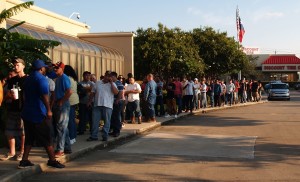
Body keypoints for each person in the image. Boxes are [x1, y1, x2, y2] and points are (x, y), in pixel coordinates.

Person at [18, 60, 65, 169]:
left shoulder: (28, 79)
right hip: (39, 113)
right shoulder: (41, 79)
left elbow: (23, 94)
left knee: (30, 137)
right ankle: (52, 160)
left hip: (27, 112)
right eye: (44, 68)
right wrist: (49, 110)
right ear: (41, 69)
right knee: (47, 137)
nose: (45, 69)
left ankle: (24, 160)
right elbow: (45, 96)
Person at [1, 58, 26, 161]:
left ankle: (22, 152)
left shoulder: (27, 79)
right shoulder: (12, 80)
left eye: (18, 65)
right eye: (15, 65)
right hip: (13, 108)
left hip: (24, 108)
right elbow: (6, 93)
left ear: (23, 66)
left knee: (23, 132)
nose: (16, 67)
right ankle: (12, 152)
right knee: (9, 131)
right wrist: (9, 95)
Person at [87, 71, 118, 141]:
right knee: (95, 121)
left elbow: (116, 92)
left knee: (107, 121)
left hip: (108, 105)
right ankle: (94, 136)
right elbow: (92, 93)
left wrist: (112, 83)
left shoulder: (112, 84)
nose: (108, 77)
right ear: (104, 76)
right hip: (97, 105)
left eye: (110, 76)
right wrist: (89, 101)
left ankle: (105, 135)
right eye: (107, 76)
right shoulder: (98, 83)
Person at [52, 62, 72, 158]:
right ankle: (67, 147)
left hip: (62, 104)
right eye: (54, 68)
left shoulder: (64, 78)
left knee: (61, 127)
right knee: (63, 127)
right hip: (58, 103)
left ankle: (60, 149)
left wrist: (61, 101)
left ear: (62, 69)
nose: (55, 69)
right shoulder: (57, 78)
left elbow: (69, 91)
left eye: (57, 68)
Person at [64, 65, 79, 146]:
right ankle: (73, 136)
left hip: (69, 100)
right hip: (74, 100)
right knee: (72, 119)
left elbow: (67, 90)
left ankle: (71, 137)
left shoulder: (67, 78)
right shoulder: (73, 78)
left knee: (70, 120)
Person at [109, 72, 125, 137]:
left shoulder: (118, 83)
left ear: (114, 77)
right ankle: (114, 130)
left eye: (111, 77)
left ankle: (117, 131)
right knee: (113, 117)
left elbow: (121, 92)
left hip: (118, 102)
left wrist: (118, 99)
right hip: (112, 102)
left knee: (117, 116)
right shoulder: (113, 83)